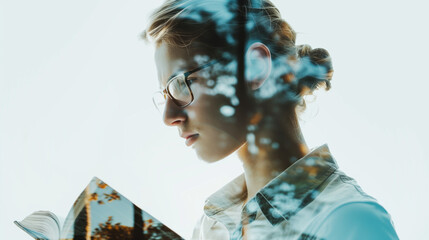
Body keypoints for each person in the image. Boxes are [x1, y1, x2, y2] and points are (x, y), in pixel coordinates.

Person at [143, 0, 399, 239]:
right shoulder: (210, 228)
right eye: (165, 94)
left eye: (180, 85)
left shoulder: (348, 221)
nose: (169, 117)